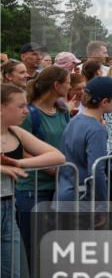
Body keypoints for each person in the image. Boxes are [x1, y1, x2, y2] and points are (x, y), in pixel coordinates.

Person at [2, 82, 66, 278]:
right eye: (20, 106)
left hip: (7, 214)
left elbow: (57, 156)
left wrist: (23, 165)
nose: (25, 110)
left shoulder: (16, 132)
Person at [17, 66, 72, 258]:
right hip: (33, 189)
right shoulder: (29, 114)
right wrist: (49, 167)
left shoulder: (62, 111)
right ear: (56, 85)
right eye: (68, 82)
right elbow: (20, 149)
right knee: (32, 245)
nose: (70, 86)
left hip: (59, 187)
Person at [57, 77, 112, 203]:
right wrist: (102, 204)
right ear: (104, 102)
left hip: (64, 192)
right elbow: (96, 170)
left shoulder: (74, 120)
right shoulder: (96, 129)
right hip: (82, 198)